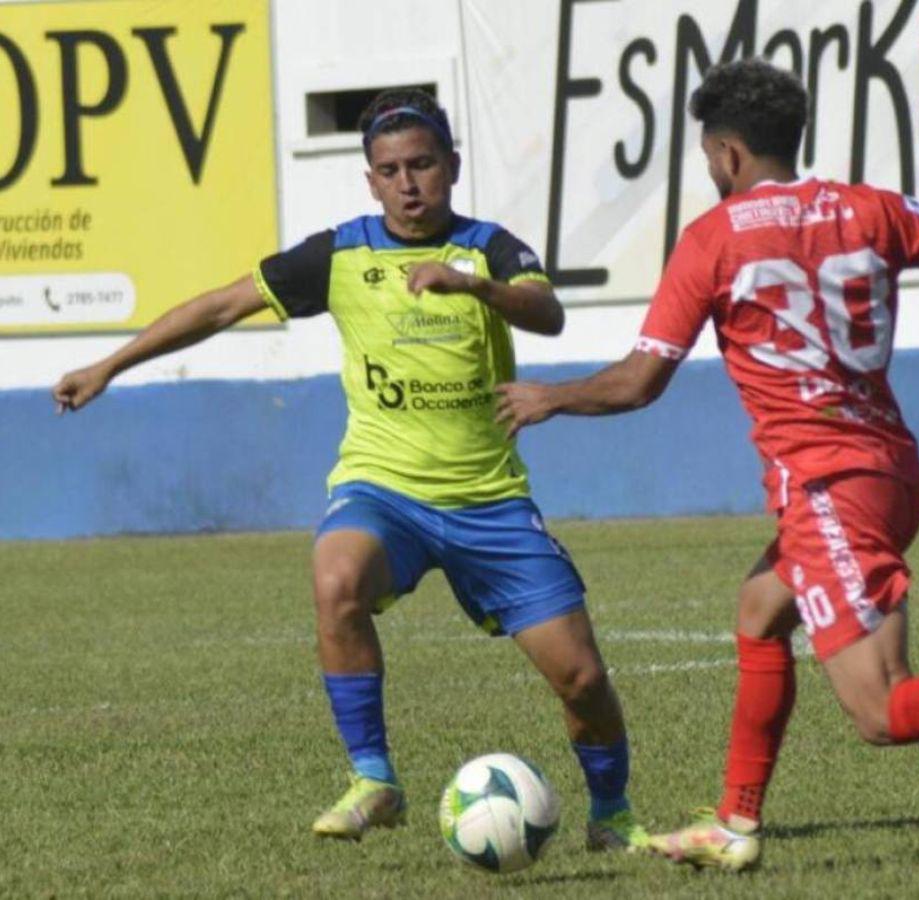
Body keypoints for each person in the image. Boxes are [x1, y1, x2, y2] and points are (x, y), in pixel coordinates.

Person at [495, 59, 919, 871]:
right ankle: (735, 822)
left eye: (708, 155)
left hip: (829, 487)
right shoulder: (870, 209)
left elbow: (639, 381)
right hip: (893, 473)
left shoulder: (714, 239)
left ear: (726, 153)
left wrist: (550, 397)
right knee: (761, 609)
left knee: (880, 709)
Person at [52, 87, 647, 851]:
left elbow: (546, 312)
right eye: (389, 171)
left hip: (489, 501)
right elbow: (221, 306)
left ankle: (611, 813)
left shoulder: (489, 248)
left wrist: (472, 285)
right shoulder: (338, 255)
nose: (408, 184)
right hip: (382, 490)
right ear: (371, 180)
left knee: (581, 679)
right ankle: (374, 777)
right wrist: (109, 364)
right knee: (336, 579)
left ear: (452, 165)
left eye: (421, 165)